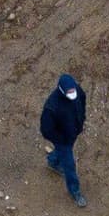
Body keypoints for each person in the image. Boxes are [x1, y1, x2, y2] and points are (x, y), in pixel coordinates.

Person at [39, 73, 89, 208]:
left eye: (73, 90)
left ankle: (53, 161)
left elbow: (82, 101)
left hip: (73, 133)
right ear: (61, 90)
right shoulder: (51, 107)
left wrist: (81, 119)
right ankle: (75, 191)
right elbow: (46, 130)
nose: (73, 93)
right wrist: (61, 140)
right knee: (69, 165)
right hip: (63, 139)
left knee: (62, 153)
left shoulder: (77, 91)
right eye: (70, 92)